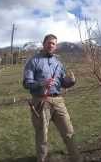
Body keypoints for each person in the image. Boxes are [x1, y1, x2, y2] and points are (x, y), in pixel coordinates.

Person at [23, 34, 82, 162]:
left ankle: (77, 159)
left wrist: (71, 81)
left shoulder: (58, 63)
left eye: (54, 43)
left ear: (55, 46)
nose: (51, 45)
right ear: (43, 44)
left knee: (69, 132)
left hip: (58, 101)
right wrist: (41, 83)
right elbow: (26, 83)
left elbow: (62, 83)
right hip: (41, 101)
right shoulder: (33, 61)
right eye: (49, 42)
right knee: (42, 137)